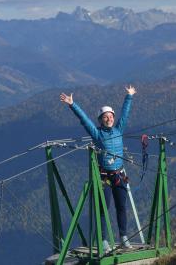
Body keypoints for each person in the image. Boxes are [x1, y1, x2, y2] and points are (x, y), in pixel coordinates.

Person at [60, 85, 136, 253]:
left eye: (110, 116)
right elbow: (84, 120)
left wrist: (129, 96)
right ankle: (103, 241)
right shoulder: (97, 134)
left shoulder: (119, 129)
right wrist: (72, 104)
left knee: (121, 207)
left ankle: (123, 237)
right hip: (104, 177)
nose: (108, 119)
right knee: (103, 209)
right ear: (101, 120)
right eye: (105, 117)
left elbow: (125, 114)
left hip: (119, 174)